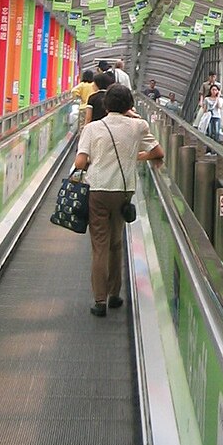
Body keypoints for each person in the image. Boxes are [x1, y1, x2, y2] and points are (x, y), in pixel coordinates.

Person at [74, 84, 163, 316]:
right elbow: (158, 152)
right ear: (129, 105)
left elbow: (80, 163)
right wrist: (136, 157)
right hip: (123, 191)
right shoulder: (138, 126)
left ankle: (100, 301)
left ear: (105, 105)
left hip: (98, 190)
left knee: (100, 246)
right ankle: (115, 295)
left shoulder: (92, 129)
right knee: (116, 243)